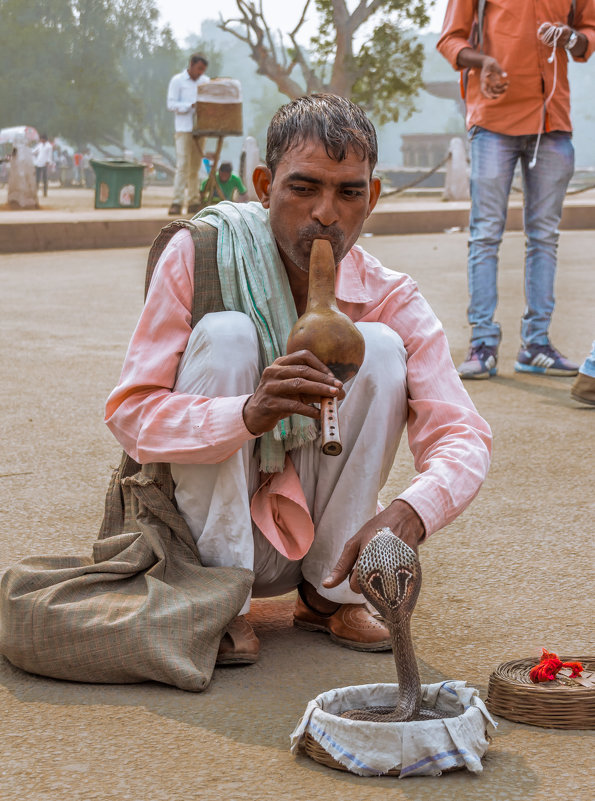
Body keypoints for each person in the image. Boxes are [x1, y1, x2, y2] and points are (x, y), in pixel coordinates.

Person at [105, 94, 492, 665]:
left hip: (319, 543)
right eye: (303, 188)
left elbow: (463, 434)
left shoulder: (388, 295)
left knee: (380, 347)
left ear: (373, 197)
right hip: (202, 534)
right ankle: (220, 600)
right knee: (230, 335)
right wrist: (246, 414)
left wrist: (411, 514)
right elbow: (130, 413)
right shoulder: (200, 254)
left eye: (349, 192)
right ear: (265, 186)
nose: (326, 214)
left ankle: (328, 595)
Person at [437, 1, 595, 379]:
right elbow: (450, 39)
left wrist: (572, 37)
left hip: (552, 121)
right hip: (493, 121)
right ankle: (483, 345)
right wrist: (481, 61)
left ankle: (536, 344)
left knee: (544, 236)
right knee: (486, 235)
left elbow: (588, 35)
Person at [167, 53, 209, 216]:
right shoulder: (177, 81)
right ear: (191, 64)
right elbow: (171, 104)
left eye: (202, 70)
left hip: (201, 129)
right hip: (183, 128)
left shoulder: (205, 82)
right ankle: (177, 202)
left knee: (195, 167)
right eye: (198, 69)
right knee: (183, 164)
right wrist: (189, 106)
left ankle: (193, 201)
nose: (200, 73)